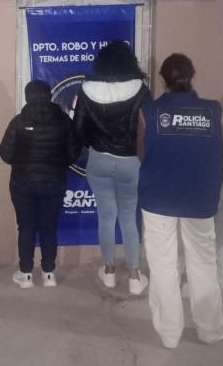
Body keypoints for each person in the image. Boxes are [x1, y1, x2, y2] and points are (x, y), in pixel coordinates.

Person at [137, 53, 223, 348]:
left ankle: (169, 333)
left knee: (163, 264)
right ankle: (210, 329)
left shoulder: (148, 111)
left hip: (159, 198)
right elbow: (218, 152)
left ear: (163, 80)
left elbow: (141, 154)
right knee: (203, 262)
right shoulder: (213, 111)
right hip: (199, 199)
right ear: (192, 76)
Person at [72, 40, 152, 295]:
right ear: (130, 62)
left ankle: (108, 272)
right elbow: (147, 129)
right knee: (129, 217)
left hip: (99, 160)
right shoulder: (141, 90)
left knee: (106, 216)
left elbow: (78, 131)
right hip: (131, 163)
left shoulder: (87, 89)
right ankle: (135, 277)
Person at [0, 80, 82, 288]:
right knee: (49, 227)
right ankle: (48, 274)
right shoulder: (64, 121)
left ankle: (25, 273)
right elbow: (74, 154)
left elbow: (5, 154)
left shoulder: (18, 121)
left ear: (27, 97)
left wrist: (22, 160)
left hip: (22, 183)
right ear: (49, 96)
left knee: (25, 227)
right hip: (53, 182)